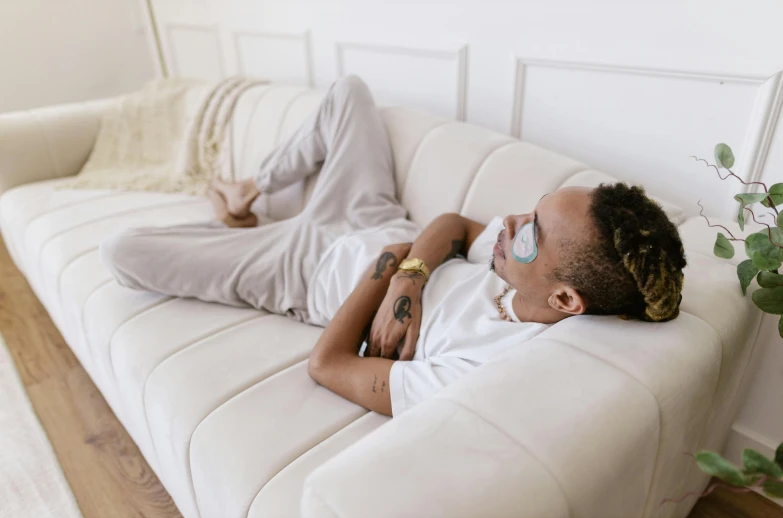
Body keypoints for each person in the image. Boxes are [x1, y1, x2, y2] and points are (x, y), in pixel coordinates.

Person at [100, 76, 686, 417]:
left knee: (122, 251)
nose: (507, 222)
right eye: (528, 210)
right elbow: (453, 223)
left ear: (563, 300)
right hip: (369, 214)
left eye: (529, 230)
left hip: (300, 272)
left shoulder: (484, 367)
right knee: (349, 92)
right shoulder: (518, 268)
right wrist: (407, 273)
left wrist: (389, 271)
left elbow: (326, 366)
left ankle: (242, 230)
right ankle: (245, 193)